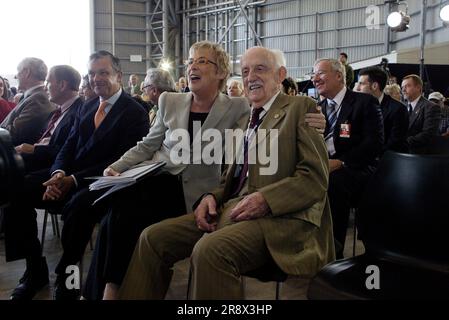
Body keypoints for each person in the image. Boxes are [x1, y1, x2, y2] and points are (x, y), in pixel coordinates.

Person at [117, 46, 334, 300]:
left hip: (281, 220)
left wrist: (266, 200)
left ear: (280, 75)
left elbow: (315, 178)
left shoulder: (300, 107)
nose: (251, 76)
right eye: (245, 71)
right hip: (231, 209)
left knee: (210, 250)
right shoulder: (247, 117)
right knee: (152, 238)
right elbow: (232, 178)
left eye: (260, 69)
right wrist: (211, 196)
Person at [82, 41, 250, 300]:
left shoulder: (237, 107)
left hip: (196, 193)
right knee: (115, 215)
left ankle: (103, 293)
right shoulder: (169, 101)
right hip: (157, 177)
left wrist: (310, 122)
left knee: (119, 216)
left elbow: (247, 146)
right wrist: (116, 167)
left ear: (221, 73)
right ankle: (109, 292)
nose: (193, 66)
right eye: (191, 61)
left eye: (202, 61)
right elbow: (148, 144)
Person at [3, 50, 150, 300]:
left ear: (119, 76)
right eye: (92, 73)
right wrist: (58, 173)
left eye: (103, 73)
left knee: (76, 208)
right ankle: (34, 270)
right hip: (67, 176)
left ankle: (67, 279)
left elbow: (118, 161)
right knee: (18, 189)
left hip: (100, 183)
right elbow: (68, 146)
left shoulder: (135, 113)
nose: (96, 78)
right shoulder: (87, 105)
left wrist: (72, 180)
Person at [312, 58, 384, 259]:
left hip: (357, 168)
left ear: (338, 76)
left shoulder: (364, 102)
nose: (315, 78)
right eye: (314, 74)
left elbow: (374, 144)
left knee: (332, 184)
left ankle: (333, 253)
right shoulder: (317, 107)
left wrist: (341, 162)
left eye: (321, 73)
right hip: (324, 166)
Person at [14, 65, 84, 172]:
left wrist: (34, 149)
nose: (45, 87)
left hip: (51, 167)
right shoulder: (56, 112)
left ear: (62, 85)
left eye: (48, 82)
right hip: (33, 159)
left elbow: (69, 150)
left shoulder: (81, 112)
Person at [0, 57, 54, 145]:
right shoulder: (33, 96)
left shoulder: (38, 99)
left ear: (26, 72)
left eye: (18, 72)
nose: (16, 76)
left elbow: (14, 134)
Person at [356, 66, 409, 153]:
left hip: (385, 162)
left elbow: (394, 144)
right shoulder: (356, 107)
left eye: (361, 84)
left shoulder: (398, 110)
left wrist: (363, 156)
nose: (357, 88)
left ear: (374, 86)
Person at [401, 74, 441, 154]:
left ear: (418, 87)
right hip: (401, 153)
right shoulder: (402, 107)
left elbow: (427, 134)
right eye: (402, 87)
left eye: (407, 86)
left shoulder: (431, 107)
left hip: (420, 156)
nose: (403, 90)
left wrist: (402, 142)